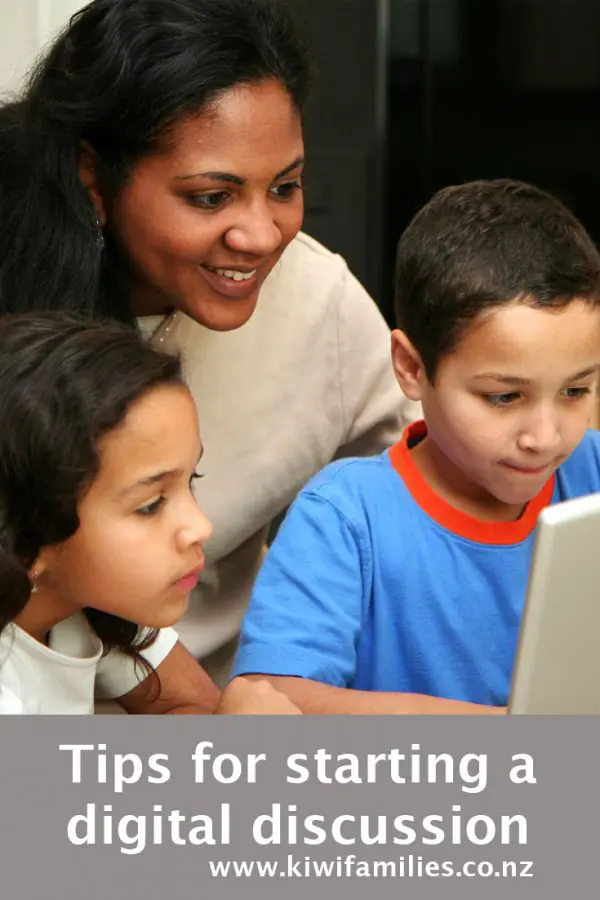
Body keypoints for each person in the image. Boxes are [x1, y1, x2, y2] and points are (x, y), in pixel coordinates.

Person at [0, 0, 419, 681]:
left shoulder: (319, 303)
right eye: (209, 197)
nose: (260, 236)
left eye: (284, 186)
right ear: (92, 176)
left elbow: (420, 513)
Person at [230, 179, 600, 713]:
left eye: (575, 391)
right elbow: (271, 699)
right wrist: (506, 736)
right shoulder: (346, 516)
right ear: (410, 367)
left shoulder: (591, 471)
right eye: (503, 397)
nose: (544, 437)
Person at [0, 312, 299, 716]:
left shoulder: (84, 599)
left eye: (191, 479)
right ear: (26, 538)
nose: (201, 526)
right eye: (151, 505)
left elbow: (189, 704)